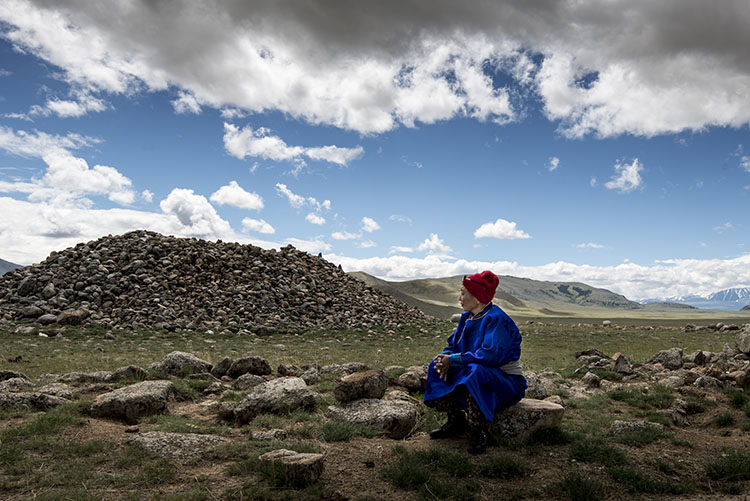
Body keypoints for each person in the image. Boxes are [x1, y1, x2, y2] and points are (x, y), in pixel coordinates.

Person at [423, 270, 526, 454]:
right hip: (477, 369)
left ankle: (479, 429)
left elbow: (490, 356)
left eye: (463, 293)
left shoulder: (497, 319)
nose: (459, 298)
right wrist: (444, 358)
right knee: (435, 366)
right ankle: (456, 420)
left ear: (477, 298)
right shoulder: (467, 317)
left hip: (504, 380)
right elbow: (454, 345)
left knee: (475, 371)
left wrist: (455, 360)